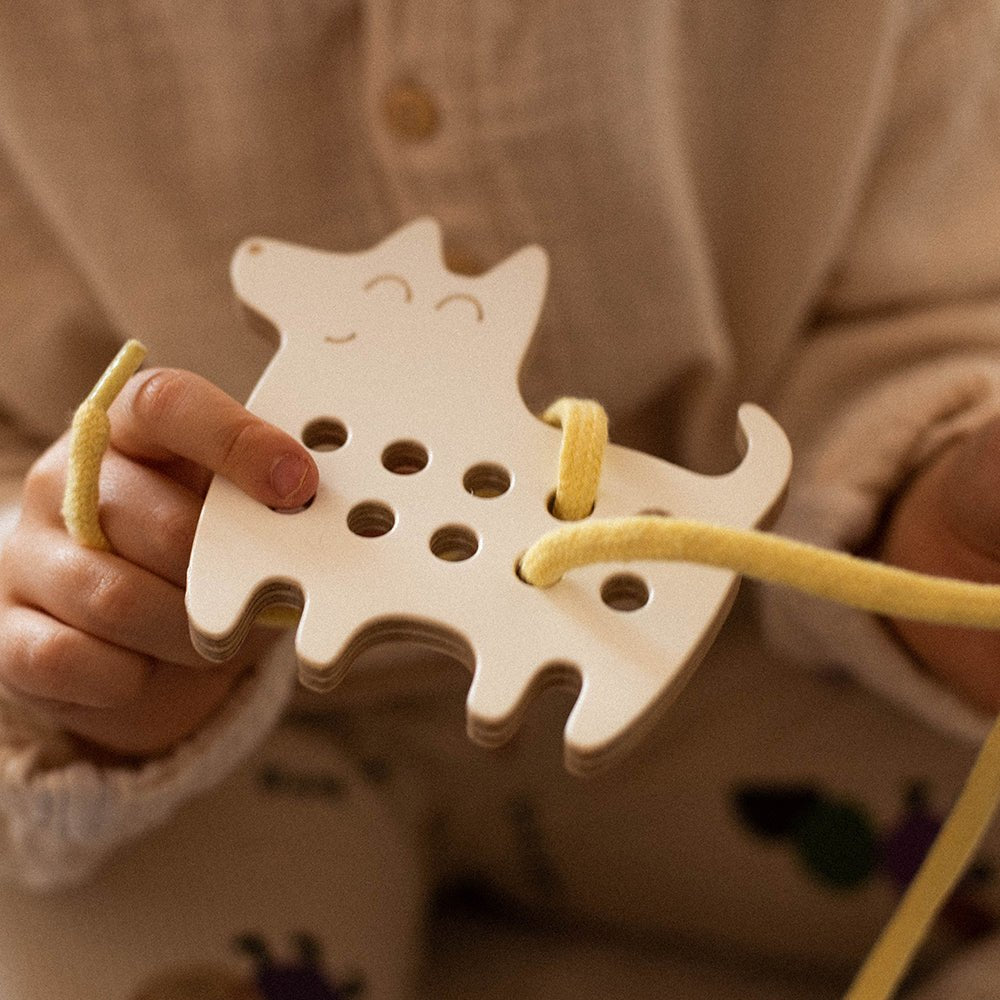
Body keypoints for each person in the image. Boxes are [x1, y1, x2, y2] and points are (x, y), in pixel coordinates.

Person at [0, 1, 998, 996]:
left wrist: (938, 502)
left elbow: (915, 287)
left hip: (708, 659)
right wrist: (63, 608)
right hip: (204, 763)